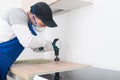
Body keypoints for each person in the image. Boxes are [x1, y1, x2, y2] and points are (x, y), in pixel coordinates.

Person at [0, 2, 57, 80]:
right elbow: (27, 41)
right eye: (43, 23)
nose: (44, 26)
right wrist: (46, 43)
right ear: (34, 15)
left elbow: (35, 48)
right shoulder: (18, 14)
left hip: (4, 63)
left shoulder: (26, 26)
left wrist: (49, 47)